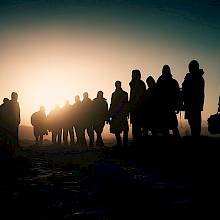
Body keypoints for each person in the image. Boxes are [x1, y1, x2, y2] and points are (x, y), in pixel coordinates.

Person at [156, 65, 181, 137]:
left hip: (164, 108)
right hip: (170, 108)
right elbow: (177, 94)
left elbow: (157, 95)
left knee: (166, 127)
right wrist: (178, 106)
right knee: (173, 127)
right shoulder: (173, 82)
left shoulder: (160, 81)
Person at [182, 60, 205, 137]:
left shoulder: (197, 78)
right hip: (192, 104)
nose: (189, 69)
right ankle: (195, 138)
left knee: (195, 124)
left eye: (190, 67)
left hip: (194, 104)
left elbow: (196, 92)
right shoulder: (196, 78)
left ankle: (195, 138)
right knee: (193, 123)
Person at [109, 81, 129, 147]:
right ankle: (120, 144)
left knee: (124, 130)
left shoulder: (124, 94)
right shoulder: (115, 94)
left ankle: (124, 144)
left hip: (121, 114)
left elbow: (126, 104)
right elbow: (112, 104)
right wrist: (110, 114)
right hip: (117, 115)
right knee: (117, 131)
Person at [129, 69, 146, 143]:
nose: (133, 76)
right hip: (134, 109)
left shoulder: (140, 84)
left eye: (134, 74)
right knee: (135, 127)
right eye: (133, 74)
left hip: (139, 108)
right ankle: (136, 141)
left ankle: (139, 142)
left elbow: (140, 97)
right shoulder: (133, 84)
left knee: (139, 126)